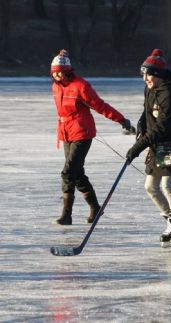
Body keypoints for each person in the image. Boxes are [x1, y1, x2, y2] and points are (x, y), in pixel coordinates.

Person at [51, 49, 135, 225]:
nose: (57, 75)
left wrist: (121, 120)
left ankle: (66, 216)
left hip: (82, 133)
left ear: (67, 70)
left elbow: (100, 106)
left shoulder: (81, 86)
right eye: (54, 72)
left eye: (60, 71)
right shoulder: (56, 86)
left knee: (68, 172)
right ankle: (96, 208)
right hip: (66, 132)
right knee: (77, 173)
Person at [126, 48, 171, 249]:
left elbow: (162, 128)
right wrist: (141, 127)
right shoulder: (150, 89)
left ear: (159, 75)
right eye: (143, 73)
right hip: (155, 143)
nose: (145, 78)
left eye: (148, 74)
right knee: (150, 187)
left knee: (166, 185)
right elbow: (147, 112)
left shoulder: (169, 95)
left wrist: (138, 146)